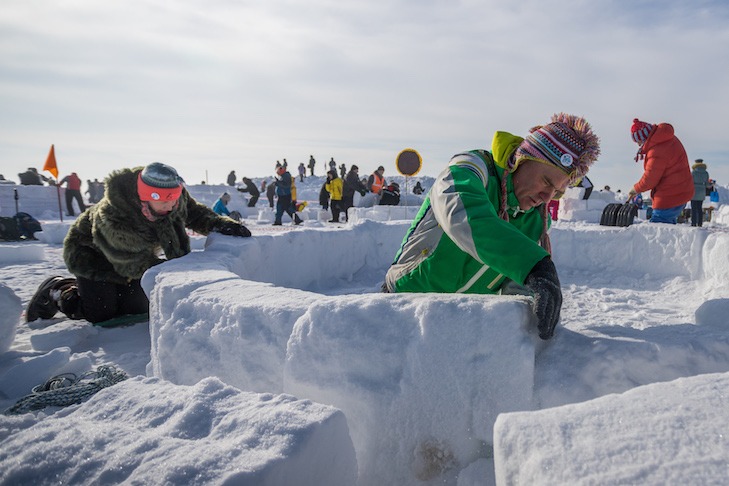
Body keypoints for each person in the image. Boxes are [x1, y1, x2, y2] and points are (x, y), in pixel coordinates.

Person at [383, 113, 600, 340]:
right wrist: (533, 265)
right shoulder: (470, 169)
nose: (547, 197)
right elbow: (464, 217)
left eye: (557, 191)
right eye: (546, 181)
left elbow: (514, 290)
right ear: (522, 159)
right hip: (401, 306)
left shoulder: (537, 221)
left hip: (455, 325)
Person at [25, 162, 251, 324]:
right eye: (163, 201)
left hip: (136, 254)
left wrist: (221, 224)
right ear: (146, 197)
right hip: (93, 256)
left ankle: (111, 294)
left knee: (135, 308)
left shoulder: (172, 198)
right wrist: (179, 271)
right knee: (100, 313)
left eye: (174, 199)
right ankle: (59, 289)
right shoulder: (114, 216)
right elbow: (132, 263)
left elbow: (193, 213)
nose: (170, 206)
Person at [627, 118, 693, 224]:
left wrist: (635, 189)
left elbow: (650, 178)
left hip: (670, 195)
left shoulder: (656, 150)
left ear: (644, 137)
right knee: (667, 230)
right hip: (678, 192)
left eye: (638, 142)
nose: (639, 145)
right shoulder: (665, 139)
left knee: (658, 229)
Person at [691, 159, 710, 227]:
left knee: (693, 208)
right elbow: (708, 185)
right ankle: (700, 223)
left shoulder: (693, 172)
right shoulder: (706, 173)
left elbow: (690, 182)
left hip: (694, 191)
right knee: (699, 208)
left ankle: (693, 223)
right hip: (702, 191)